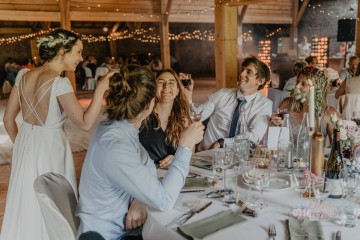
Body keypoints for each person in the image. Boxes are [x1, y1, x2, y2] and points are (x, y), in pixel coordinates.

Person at [1, 28, 112, 240]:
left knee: (27, 198)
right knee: (54, 198)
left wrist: (24, 146)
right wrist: (100, 89)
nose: (80, 58)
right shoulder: (60, 83)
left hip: (26, 143)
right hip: (51, 148)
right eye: (78, 52)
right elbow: (85, 123)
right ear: (62, 51)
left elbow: (8, 120)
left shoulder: (24, 75)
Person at [76, 65, 204, 239]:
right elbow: (164, 201)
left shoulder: (117, 126)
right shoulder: (117, 146)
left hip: (121, 223)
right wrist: (185, 147)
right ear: (151, 104)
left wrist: (142, 197)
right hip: (111, 234)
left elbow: (147, 164)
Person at [187, 56, 272, 150]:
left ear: (260, 81)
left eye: (248, 72)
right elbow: (196, 117)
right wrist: (187, 96)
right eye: (242, 70)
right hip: (206, 156)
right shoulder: (222, 94)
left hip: (240, 158)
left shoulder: (265, 104)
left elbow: (253, 138)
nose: (242, 74)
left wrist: (222, 143)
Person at [271, 66, 339, 144]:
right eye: (297, 82)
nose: (297, 86)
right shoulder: (287, 103)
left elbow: (336, 148)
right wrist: (274, 124)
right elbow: (275, 139)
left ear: (316, 88)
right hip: (287, 154)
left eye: (303, 84)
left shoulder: (329, 112)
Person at [139, 69, 191, 168]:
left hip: (173, 174)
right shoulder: (142, 116)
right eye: (161, 82)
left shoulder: (182, 119)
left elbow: (190, 151)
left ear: (177, 90)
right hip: (146, 175)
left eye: (171, 83)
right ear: (154, 88)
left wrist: (176, 157)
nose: (166, 86)